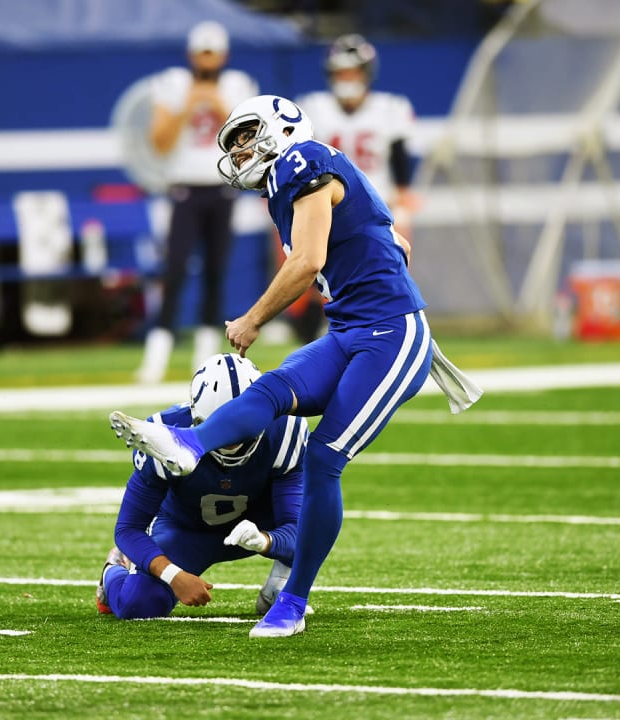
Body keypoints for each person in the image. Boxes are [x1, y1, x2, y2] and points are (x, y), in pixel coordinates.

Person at [109, 94, 479, 638]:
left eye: (248, 133)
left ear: (284, 127)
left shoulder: (300, 160)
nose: (240, 148)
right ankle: (192, 444)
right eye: (233, 142)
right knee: (276, 387)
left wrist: (254, 318)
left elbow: (307, 261)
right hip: (351, 329)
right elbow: (383, 234)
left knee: (323, 457)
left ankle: (294, 602)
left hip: (392, 336)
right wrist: (381, 236)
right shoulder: (290, 183)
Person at [96, 352, 306, 619]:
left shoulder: (285, 430)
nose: (233, 442)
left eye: (244, 430)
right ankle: (115, 567)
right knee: (138, 605)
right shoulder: (164, 432)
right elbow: (128, 528)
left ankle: (279, 586)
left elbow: (301, 531)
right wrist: (173, 575)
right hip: (185, 530)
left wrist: (266, 541)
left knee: (322, 500)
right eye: (221, 430)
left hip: (255, 523)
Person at [135, 21, 258, 384]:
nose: (206, 61)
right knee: (174, 271)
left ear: (223, 55)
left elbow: (246, 142)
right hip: (184, 188)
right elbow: (159, 141)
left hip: (222, 188)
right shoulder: (173, 84)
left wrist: (218, 105)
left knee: (215, 274)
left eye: (212, 53)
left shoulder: (238, 86)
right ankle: (156, 357)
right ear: (192, 54)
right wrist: (188, 105)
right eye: (202, 53)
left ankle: (204, 360)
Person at [289, 34, 418, 344]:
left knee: (385, 267)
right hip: (328, 204)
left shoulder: (391, 108)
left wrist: (403, 194)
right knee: (314, 264)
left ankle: (388, 322)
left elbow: (401, 158)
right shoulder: (313, 108)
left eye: (353, 72)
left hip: (377, 205)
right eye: (341, 73)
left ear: (366, 73)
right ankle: (313, 322)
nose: (347, 79)